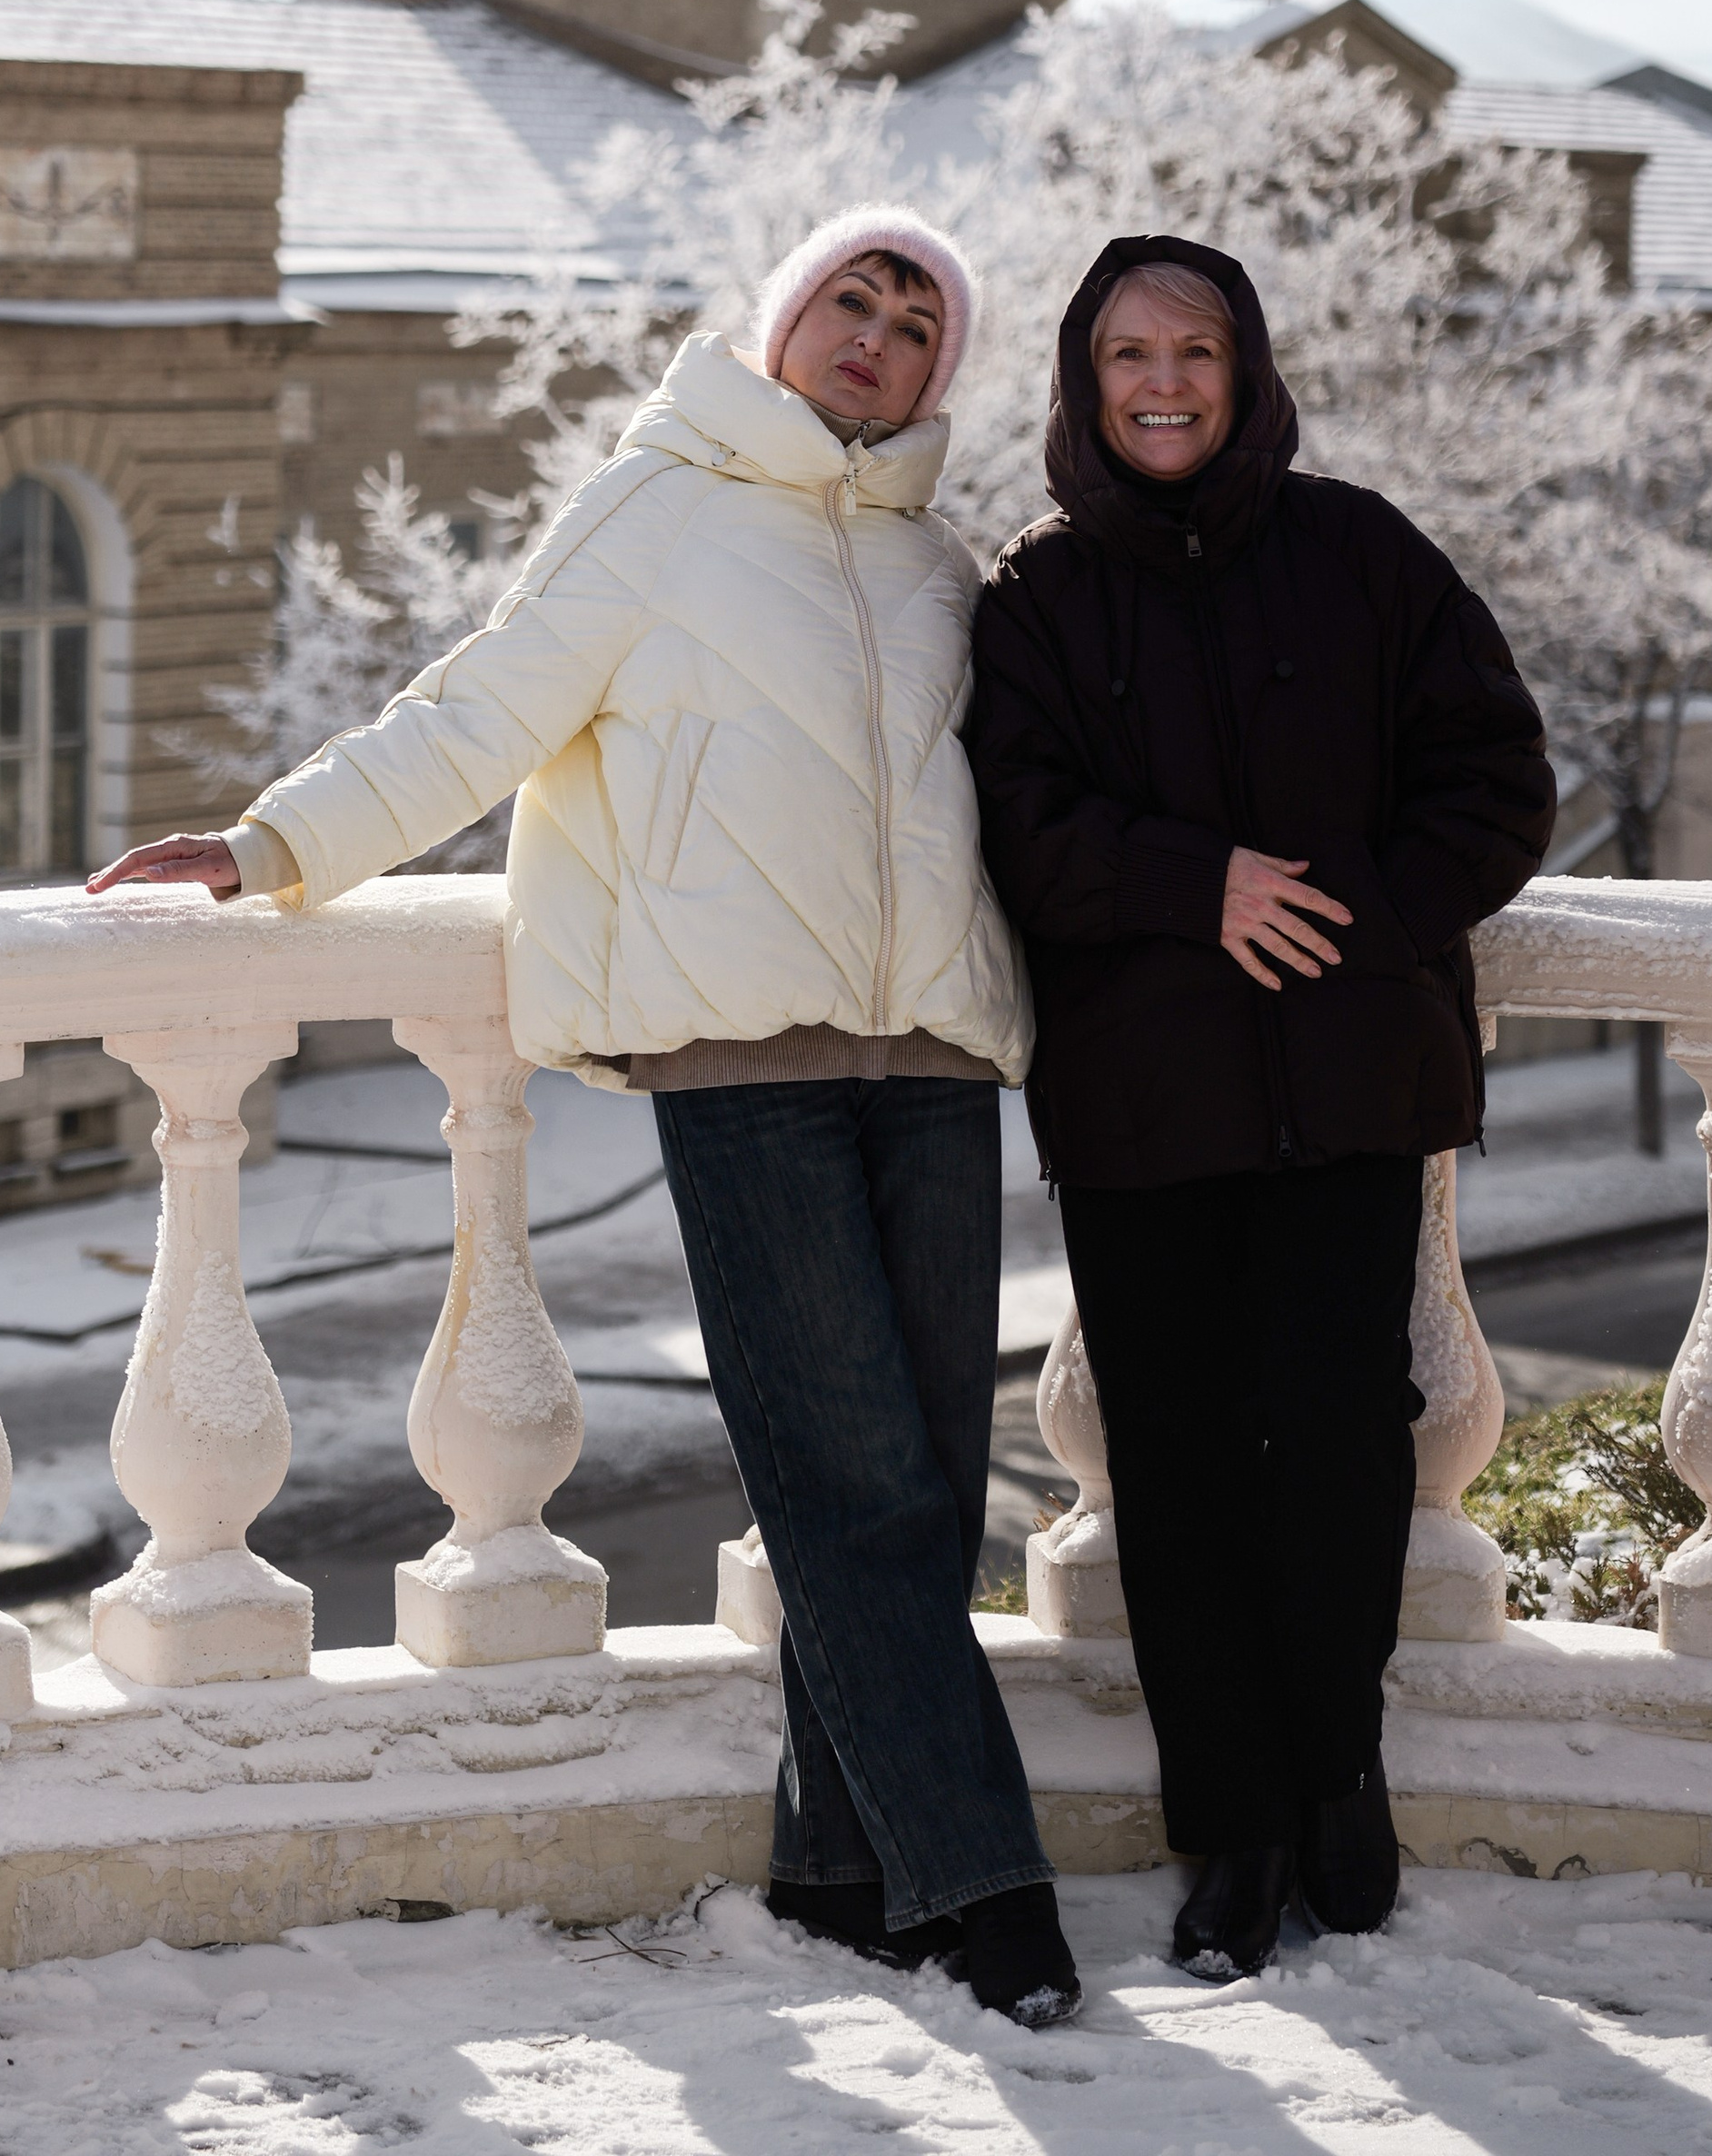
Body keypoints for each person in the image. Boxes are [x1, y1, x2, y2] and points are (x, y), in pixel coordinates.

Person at [89, 207, 1082, 2029]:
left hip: (929, 1065)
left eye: (912, 320)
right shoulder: (660, 506)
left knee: (926, 1493)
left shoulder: (940, 568)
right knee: (852, 1486)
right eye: (846, 300)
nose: (872, 337)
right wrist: (274, 842)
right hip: (740, 1065)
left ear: (943, 370)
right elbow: (476, 710)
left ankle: (838, 1872)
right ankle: (986, 1888)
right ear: (784, 322)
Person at [964, 235, 1554, 1982]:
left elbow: (1498, 780)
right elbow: (1016, 825)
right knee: (1185, 1469)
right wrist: (1189, 881)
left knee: (1343, 1441)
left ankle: (1337, 1776)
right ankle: (1226, 1825)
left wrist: (1348, 919)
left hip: (1355, 1090)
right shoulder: (1037, 598)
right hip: (1149, 1112)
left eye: (1196, 349)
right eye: (1129, 353)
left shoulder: (1365, 555)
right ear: (1084, 381)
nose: (1164, 382)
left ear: (1246, 369)